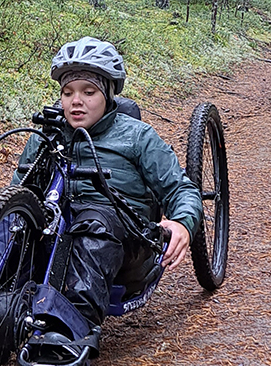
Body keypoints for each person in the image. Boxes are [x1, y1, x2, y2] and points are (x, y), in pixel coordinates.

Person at [14, 36, 203, 333]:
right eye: (67, 92)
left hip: (124, 244)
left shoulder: (137, 137)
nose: (76, 101)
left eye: (89, 92)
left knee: (94, 224)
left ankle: (70, 333)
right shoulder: (45, 136)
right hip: (53, 237)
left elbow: (181, 189)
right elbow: (18, 193)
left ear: (108, 94)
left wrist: (182, 223)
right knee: (11, 223)